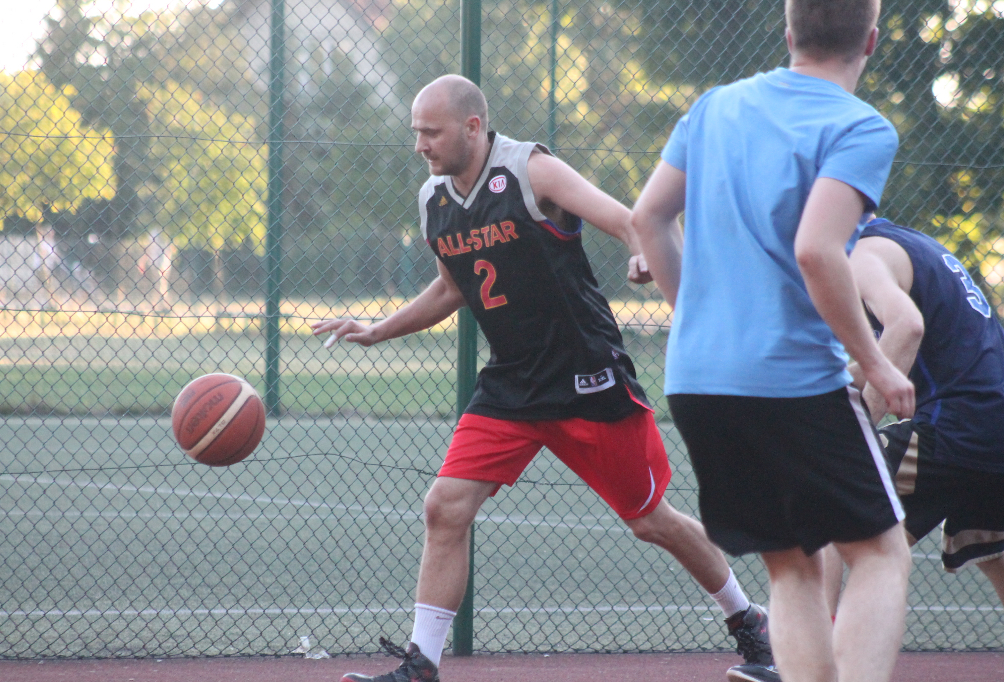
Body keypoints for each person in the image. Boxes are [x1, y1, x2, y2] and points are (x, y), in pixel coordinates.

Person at [312, 74, 776, 682]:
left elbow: (631, 219)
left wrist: (643, 252)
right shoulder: (434, 200)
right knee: (445, 507)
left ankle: (747, 620)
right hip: (512, 383)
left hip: (586, 376)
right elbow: (452, 287)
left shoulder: (531, 170)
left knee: (648, 520)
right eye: (415, 133)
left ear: (472, 127)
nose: (419, 145)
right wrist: (380, 328)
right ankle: (421, 663)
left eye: (431, 132)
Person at [629, 2, 916, 682]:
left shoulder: (713, 108)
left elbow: (648, 216)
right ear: (871, 40)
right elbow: (817, 250)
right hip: (790, 378)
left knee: (791, 565)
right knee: (880, 554)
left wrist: (693, 312)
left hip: (697, 378)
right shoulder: (859, 127)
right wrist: (874, 360)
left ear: (789, 33)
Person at [820, 216, 1004, 615]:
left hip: (959, 426)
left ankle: (804, 662)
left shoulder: (865, 256)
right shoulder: (909, 244)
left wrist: (857, 432)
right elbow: (889, 355)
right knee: (994, 555)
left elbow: (905, 328)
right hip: (991, 424)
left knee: (827, 497)